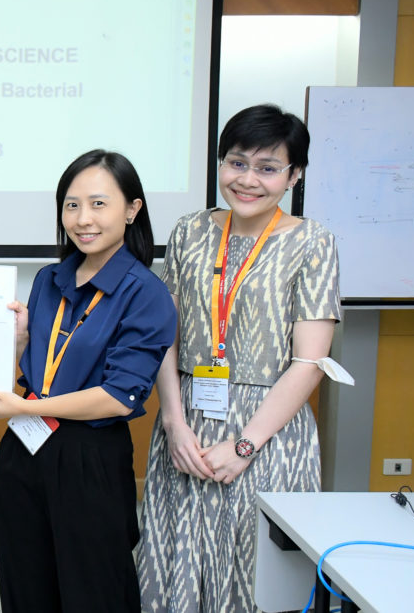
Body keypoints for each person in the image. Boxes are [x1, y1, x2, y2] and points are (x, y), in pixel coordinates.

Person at [135, 104, 342, 611]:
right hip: (187, 419)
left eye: (268, 168)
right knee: (174, 570)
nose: (248, 179)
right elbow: (167, 335)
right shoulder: (190, 231)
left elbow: (310, 361)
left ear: (294, 176)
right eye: (236, 162)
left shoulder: (313, 242)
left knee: (256, 581)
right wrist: (174, 421)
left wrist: (246, 446)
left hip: (268, 430)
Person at [0, 150, 177, 612]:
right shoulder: (50, 279)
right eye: (71, 205)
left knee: (93, 594)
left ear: (132, 209)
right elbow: (39, 371)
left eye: (98, 204)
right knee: (25, 586)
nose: (82, 219)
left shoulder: (146, 293)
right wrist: (20, 341)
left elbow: (117, 397)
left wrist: (25, 408)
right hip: (24, 450)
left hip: (89, 458)